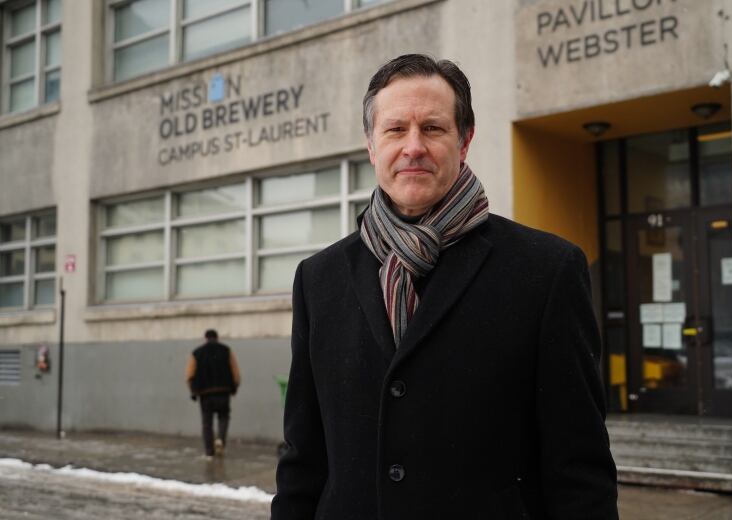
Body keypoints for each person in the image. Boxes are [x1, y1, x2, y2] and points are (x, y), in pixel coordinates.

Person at [272, 54, 618, 519]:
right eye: (395, 130)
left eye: (432, 128)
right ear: (372, 146)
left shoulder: (547, 271)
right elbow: (303, 460)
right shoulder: (318, 279)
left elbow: (579, 468)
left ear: (465, 140)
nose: (413, 146)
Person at [186, 329, 240, 459]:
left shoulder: (197, 353)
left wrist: (193, 391)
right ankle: (220, 439)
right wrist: (234, 388)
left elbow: (189, 375)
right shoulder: (226, 350)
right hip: (223, 391)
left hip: (205, 395)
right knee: (223, 417)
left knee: (207, 423)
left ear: (205, 338)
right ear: (217, 337)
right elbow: (236, 373)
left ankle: (209, 451)